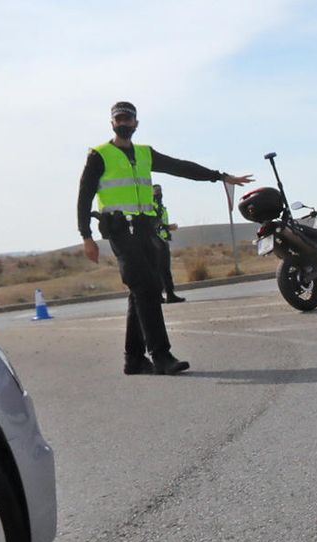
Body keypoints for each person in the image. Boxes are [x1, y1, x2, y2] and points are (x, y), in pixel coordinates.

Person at [78, 101, 250, 375]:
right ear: (112, 123)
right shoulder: (99, 155)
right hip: (121, 230)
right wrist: (86, 236)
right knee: (146, 287)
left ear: (136, 123)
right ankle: (160, 355)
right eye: (118, 119)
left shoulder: (145, 153)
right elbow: (84, 195)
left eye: (128, 119)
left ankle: (133, 359)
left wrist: (219, 177)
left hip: (145, 229)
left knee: (143, 290)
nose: (123, 123)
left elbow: (179, 167)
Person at [153, 185, 186, 304]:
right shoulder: (152, 206)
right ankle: (164, 295)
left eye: (160, 191)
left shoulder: (160, 206)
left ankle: (165, 294)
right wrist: (168, 227)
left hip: (162, 239)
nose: (158, 193)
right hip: (156, 241)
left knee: (163, 270)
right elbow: (153, 223)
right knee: (161, 270)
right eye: (156, 191)